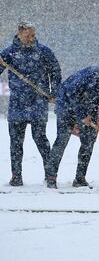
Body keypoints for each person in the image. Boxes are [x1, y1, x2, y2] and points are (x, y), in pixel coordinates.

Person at [45, 61, 99, 189]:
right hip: (67, 104)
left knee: (88, 142)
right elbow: (71, 92)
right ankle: (51, 178)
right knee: (62, 140)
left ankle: (80, 178)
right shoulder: (94, 74)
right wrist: (81, 115)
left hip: (89, 107)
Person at [0, 20, 61, 186]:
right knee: (16, 143)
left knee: (40, 139)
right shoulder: (8, 53)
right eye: (28, 35)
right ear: (19, 34)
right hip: (17, 105)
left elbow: (55, 72)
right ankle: (16, 176)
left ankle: (50, 175)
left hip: (38, 103)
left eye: (33, 35)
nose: (32, 38)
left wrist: (53, 92)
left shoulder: (44, 52)